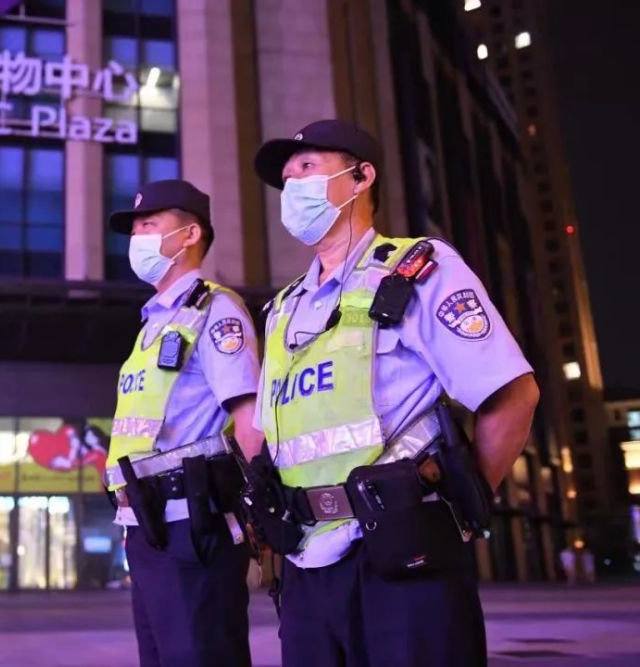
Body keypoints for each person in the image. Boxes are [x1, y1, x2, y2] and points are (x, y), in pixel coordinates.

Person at [248, 120, 540, 666]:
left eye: (307, 168)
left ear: (361, 178)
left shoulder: (418, 270)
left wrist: (458, 508)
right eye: (287, 179)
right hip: (307, 561)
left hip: (403, 553)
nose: (293, 188)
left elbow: (511, 395)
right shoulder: (283, 309)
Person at [105, 179, 262, 667]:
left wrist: (263, 513)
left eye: (149, 225)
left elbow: (249, 417)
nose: (138, 237)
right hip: (147, 527)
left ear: (190, 235)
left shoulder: (214, 309)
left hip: (193, 526)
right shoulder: (151, 325)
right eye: (134, 229)